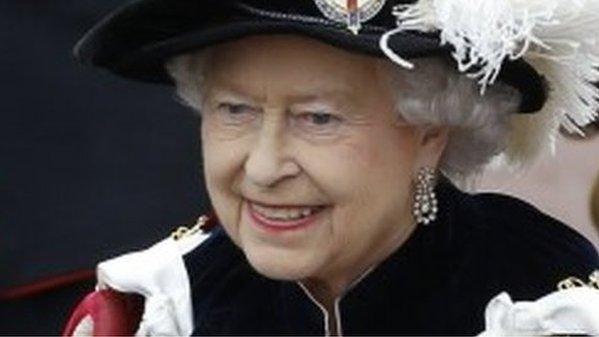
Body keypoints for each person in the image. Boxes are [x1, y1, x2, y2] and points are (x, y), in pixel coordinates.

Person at [64, 0, 599, 335]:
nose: (265, 166)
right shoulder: (163, 306)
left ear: (431, 133)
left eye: (319, 118)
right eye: (235, 110)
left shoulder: (540, 306)